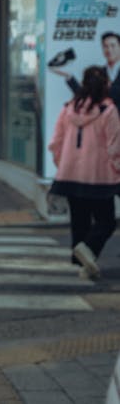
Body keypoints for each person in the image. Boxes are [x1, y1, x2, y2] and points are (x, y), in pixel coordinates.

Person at [48, 66, 120, 280]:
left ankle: (80, 266)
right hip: (99, 177)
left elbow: (55, 143)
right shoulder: (109, 110)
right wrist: (117, 171)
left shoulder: (68, 108)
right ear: (105, 83)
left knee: (80, 222)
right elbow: (114, 147)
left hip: (70, 175)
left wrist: (64, 164)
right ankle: (87, 250)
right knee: (106, 221)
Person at [50, 31, 120, 108]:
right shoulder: (98, 73)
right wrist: (69, 76)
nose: (109, 50)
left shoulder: (98, 75)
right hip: (102, 119)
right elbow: (85, 96)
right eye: (105, 46)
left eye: (113, 46)